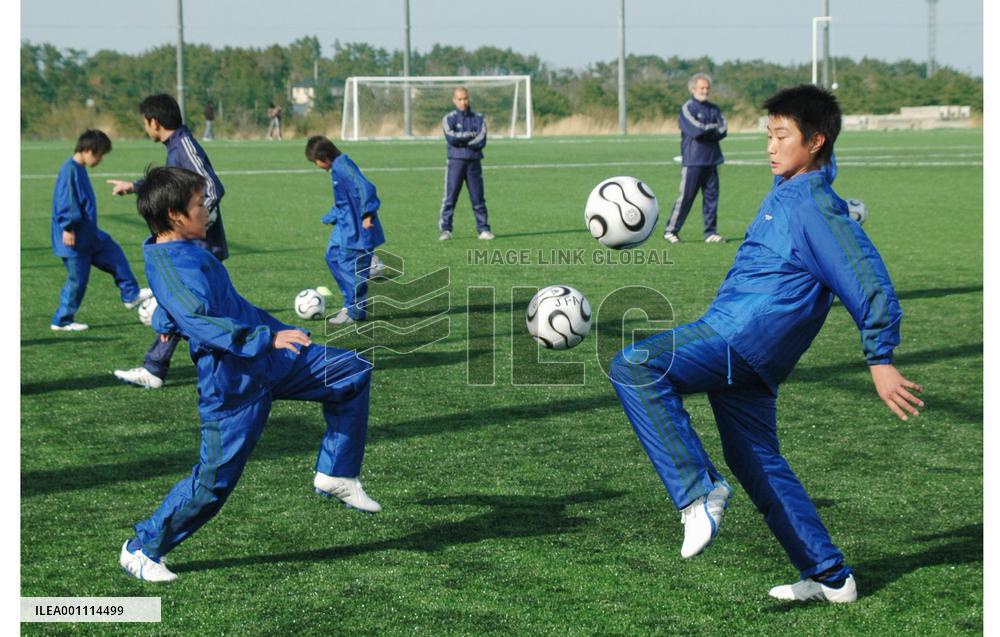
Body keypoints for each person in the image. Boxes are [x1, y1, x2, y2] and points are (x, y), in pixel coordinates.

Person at [609, 85, 923, 603]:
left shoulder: (814, 207)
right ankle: (830, 577)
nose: (771, 146)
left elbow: (867, 276)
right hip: (752, 352)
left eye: (782, 136)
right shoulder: (794, 191)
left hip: (738, 336)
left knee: (636, 366)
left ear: (815, 141)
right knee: (755, 457)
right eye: (768, 135)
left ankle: (697, 493)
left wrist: (881, 356)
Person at [118, 166, 380, 582]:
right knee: (211, 486)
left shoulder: (191, 250)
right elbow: (200, 321)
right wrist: (264, 339)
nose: (208, 207)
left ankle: (336, 473)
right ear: (174, 215)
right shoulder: (170, 265)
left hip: (269, 358)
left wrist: (277, 331)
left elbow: (230, 306)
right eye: (199, 203)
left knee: (350, 372)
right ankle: (142, 547)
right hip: (232, 385)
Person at [107, 93, 228, 389]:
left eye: (144, 123)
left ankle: (158, 367)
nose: (145, 128)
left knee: (185, 307)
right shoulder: (174, 146)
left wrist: (196, 225)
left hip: (197, 246)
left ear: (154, 122)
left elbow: (213, 188)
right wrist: (135, 187)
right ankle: (156, 367)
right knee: (190, 306)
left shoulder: (184, 145)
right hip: (190, 244)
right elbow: (172, 187)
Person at [50, 129, 152, 331]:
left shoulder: (79, 168)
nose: (100, 159)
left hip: (89, 234)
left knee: (113, 252)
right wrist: (68, 227)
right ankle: (62, 320)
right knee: (77, 281)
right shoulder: (69, 170)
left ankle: (130, 295)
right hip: (74, 238)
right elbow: (65, 200)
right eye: (99, 154)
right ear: (87, 150)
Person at [305, 136, 386, 325]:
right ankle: (350, 304)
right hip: (345, 225)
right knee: (332, 256)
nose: (316, 165)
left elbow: (366, 187)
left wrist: (368, 213)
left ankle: (354, 311)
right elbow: (345, 201)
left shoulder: (343, 167)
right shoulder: (337, 169)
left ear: (323, 157)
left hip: (357, 229)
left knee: (351, 267)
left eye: (315, 161)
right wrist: (331, 216)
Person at [664, 73, 727, 244]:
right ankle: (671, 230)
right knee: (685, 198)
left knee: (712, 199)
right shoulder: (688, 108)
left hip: (713, 160)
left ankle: (711, 233)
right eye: (702, 88)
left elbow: (723, 130)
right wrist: (711, 129)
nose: (705, 91)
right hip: (693, 161)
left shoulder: (715, 109)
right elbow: (696, 130)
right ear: (693, 89)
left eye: (707, 88)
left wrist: (710, 130)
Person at [438, 87, 493, 241]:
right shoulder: (449, 118)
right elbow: (451, 138)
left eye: (465, 99)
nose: (463, 102)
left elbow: (481, 139)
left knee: (478, 198)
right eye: (460, 99)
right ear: (454, 100)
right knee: (450, 198)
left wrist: (463, 141)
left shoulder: (478, 118)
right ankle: (446, 230)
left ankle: (483, 229)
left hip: (474, 162)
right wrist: (469, 135)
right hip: (455, 162)